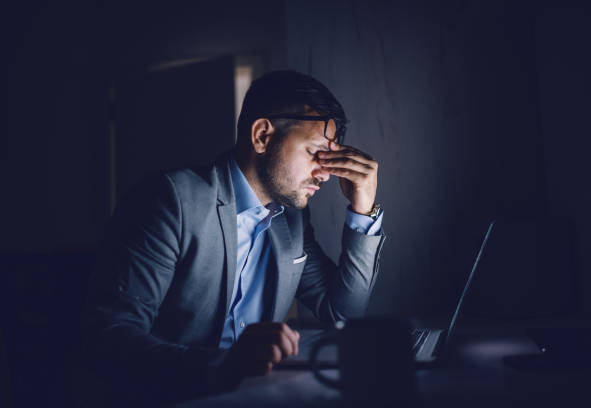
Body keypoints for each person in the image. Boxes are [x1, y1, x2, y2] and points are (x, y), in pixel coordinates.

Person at [79, 70, 385, 404]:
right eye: (315, 152)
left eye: (331, 157)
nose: (325, 173)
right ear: (262, 136)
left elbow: (342, 312)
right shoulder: (172, 200)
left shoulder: (292, 218)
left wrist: (363, 209)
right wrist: (223, 364)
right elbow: (108, 337)